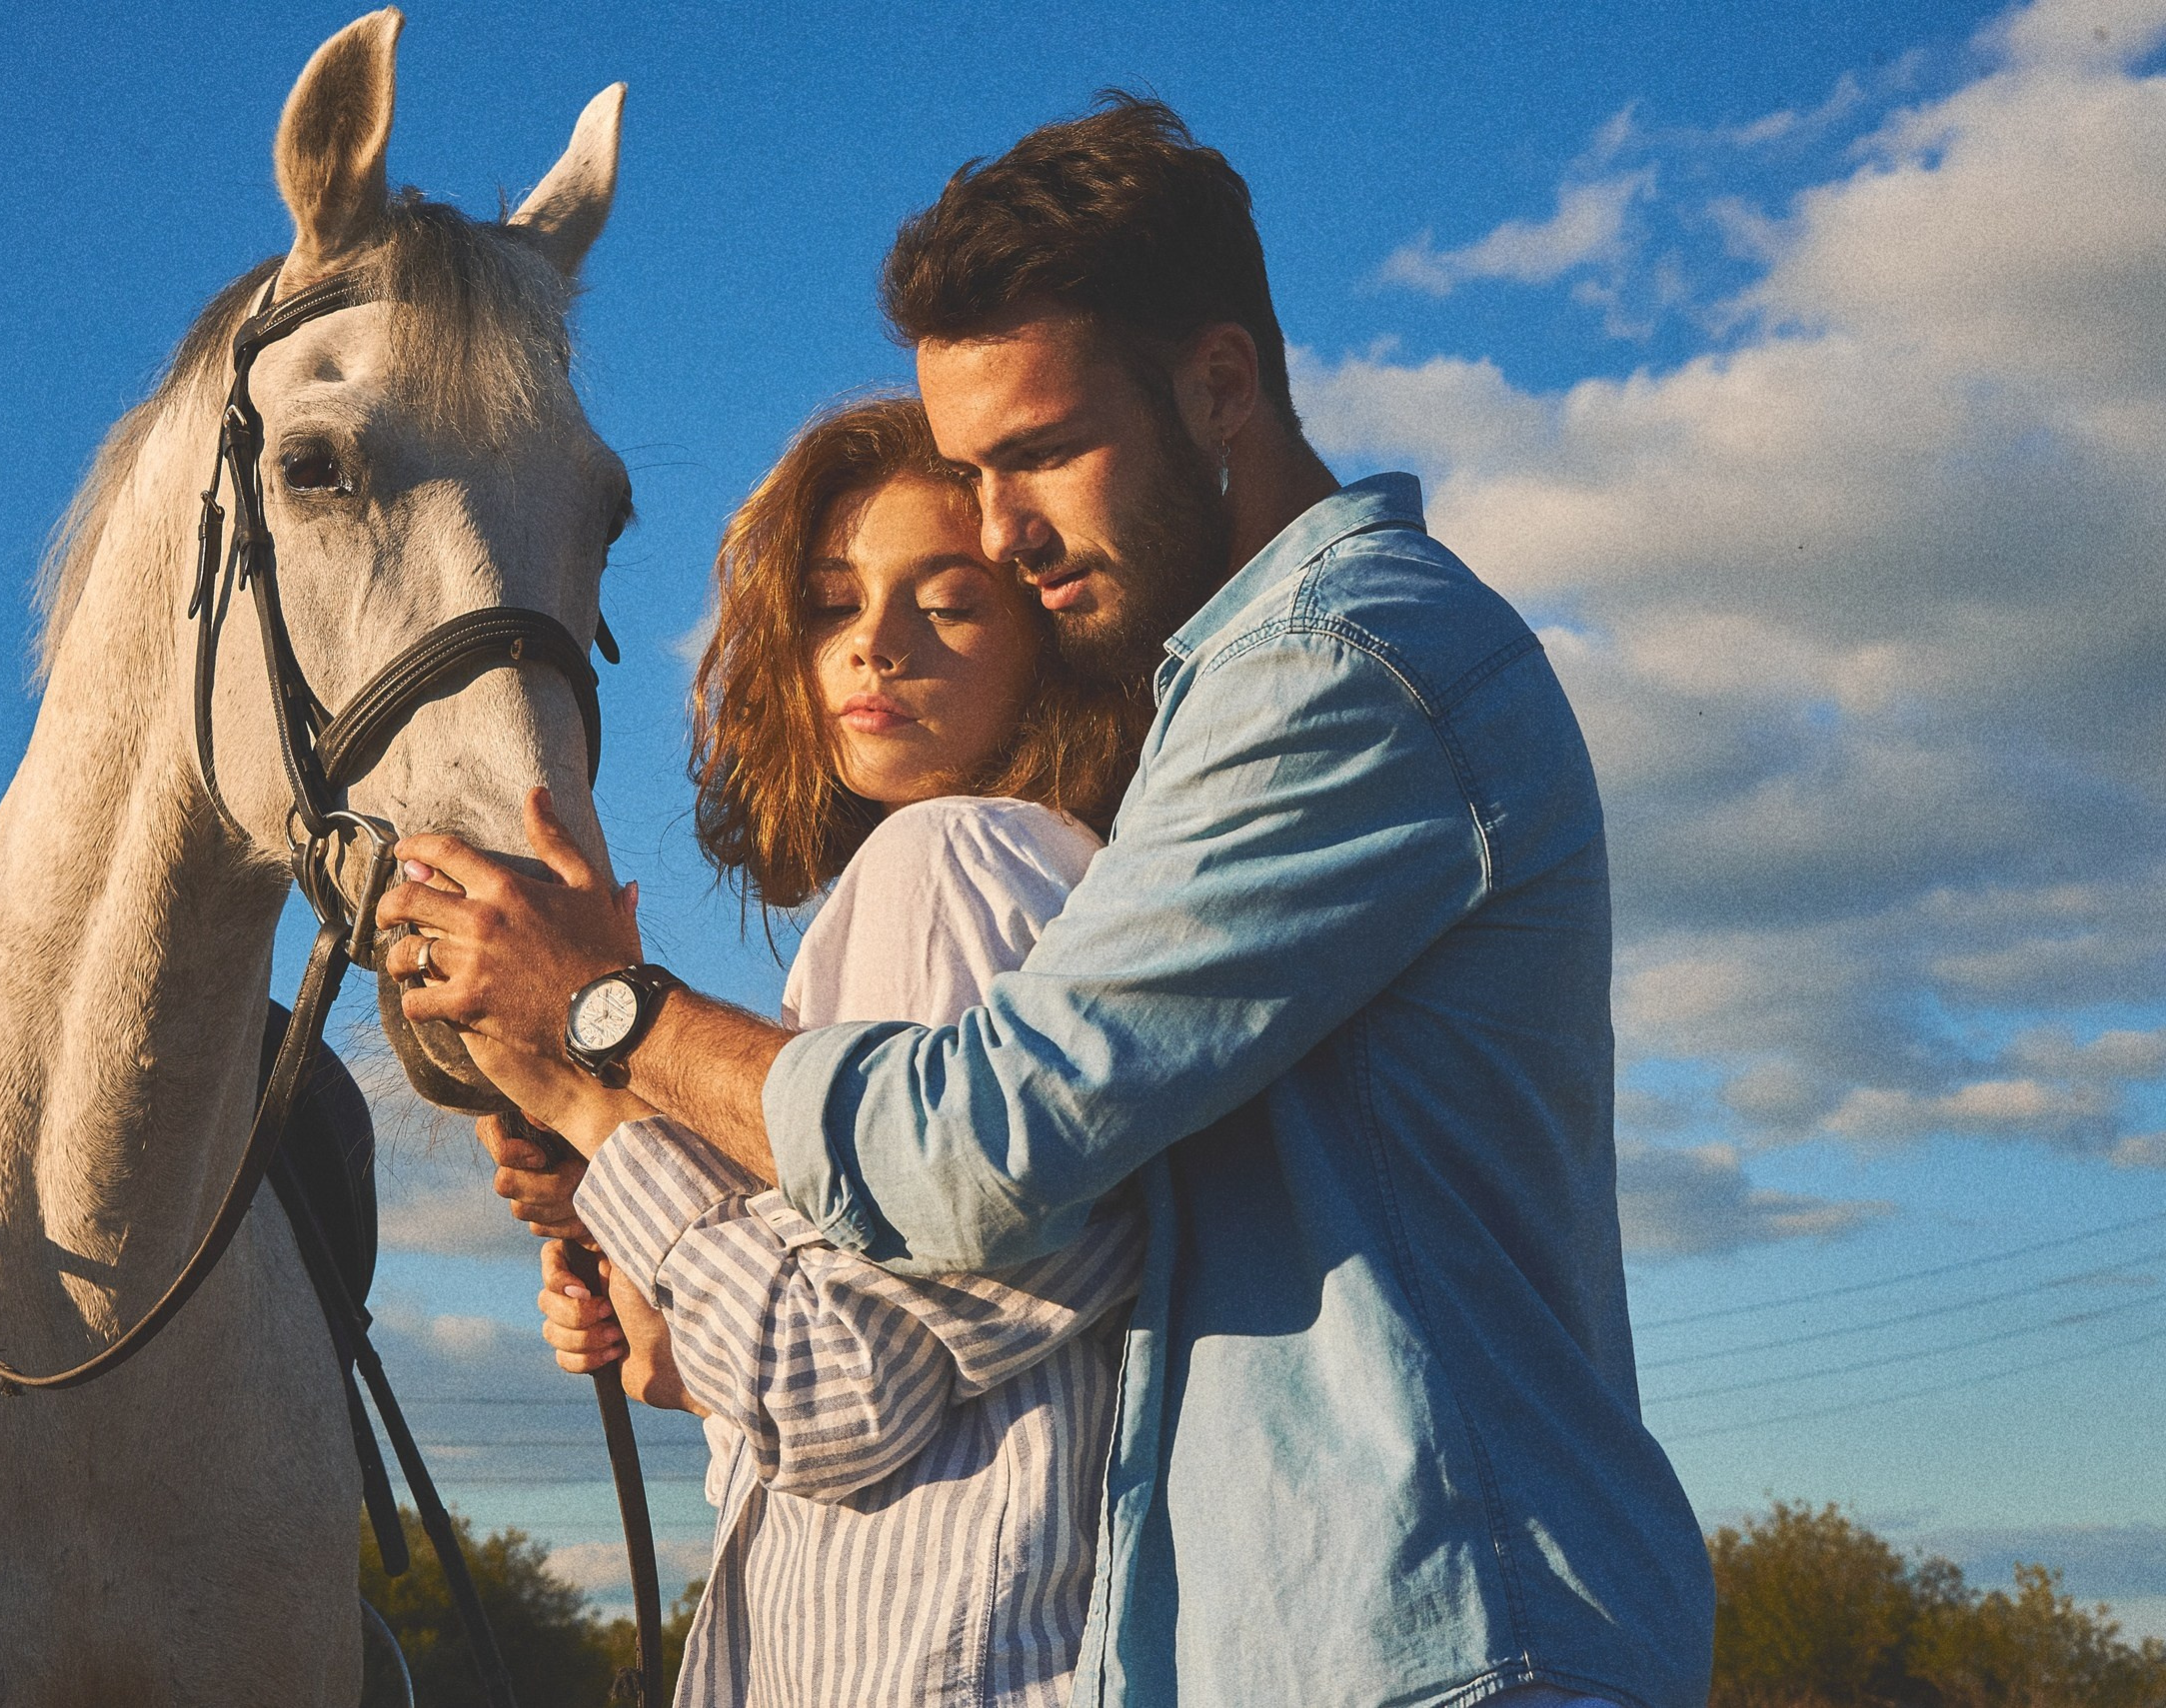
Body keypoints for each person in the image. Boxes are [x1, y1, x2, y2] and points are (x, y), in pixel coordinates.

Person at [385, 98, 1717, 1708]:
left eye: (1038, 451)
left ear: (1220, 384)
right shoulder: (1208, 734)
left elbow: (973, 1148)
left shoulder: (1338, 670)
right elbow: (995, 1281)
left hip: (1447, 1646)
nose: (1005, 531)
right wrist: (653, 1211)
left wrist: (604, 1022)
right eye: (971, 470)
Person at [457, 397, 1154, 1707]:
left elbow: (835, 1389)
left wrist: (587, 1082)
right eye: (834, 603)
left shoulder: (953, 859)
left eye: (943, 602)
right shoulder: (1042, 882)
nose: (873, 647)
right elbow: (737, 1377)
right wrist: (629, 1204)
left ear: (1044, 642)